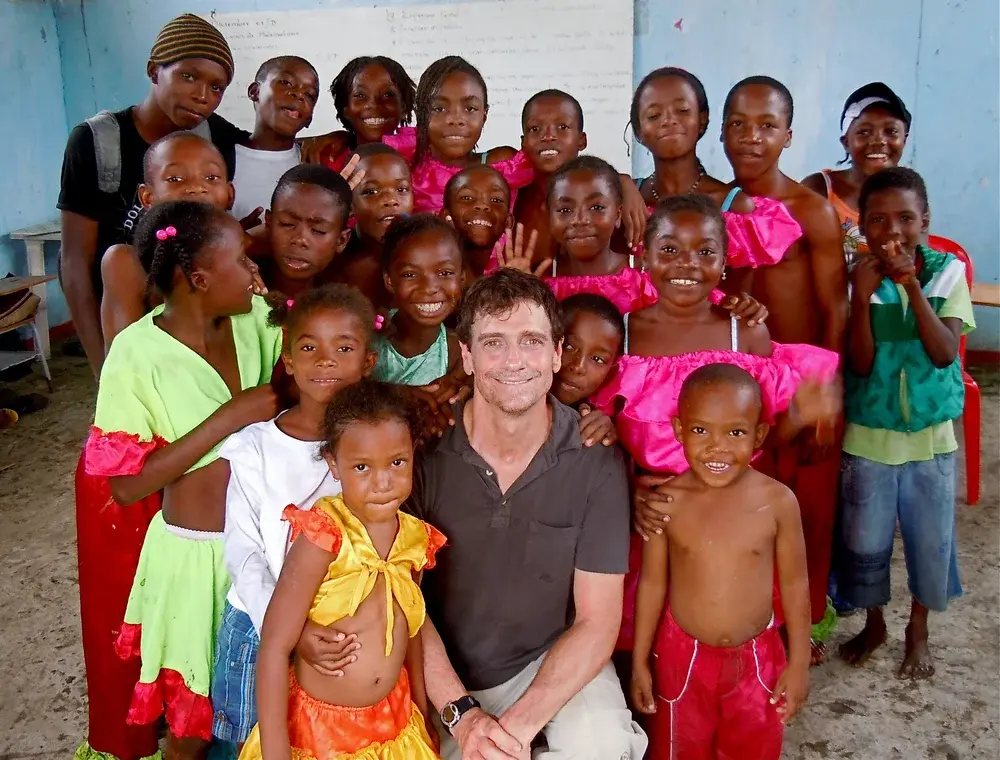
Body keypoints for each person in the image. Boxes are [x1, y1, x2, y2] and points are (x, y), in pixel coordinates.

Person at [408, 269, 646, 760]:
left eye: (532, 341)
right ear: (467, 357)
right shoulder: (421, 450)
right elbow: (401, 599)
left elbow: (598, 620)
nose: (514, 361)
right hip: (442, 672)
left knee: (601, 745)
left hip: (548, 662)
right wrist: (464, 715)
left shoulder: (594, 458)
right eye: (493, 342)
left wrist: (515, 728)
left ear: (557, 353)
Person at [590, 195, 840, 657]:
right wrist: (630, 492)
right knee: (644, 646)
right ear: (642, 254)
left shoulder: (744, 333)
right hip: (651, 522)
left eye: (706, 251)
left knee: (722, 636)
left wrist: (803, 416)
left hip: (728, 522)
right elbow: (596, 433)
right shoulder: (619, 333)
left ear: (726, 262)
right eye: (669, 249)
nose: (687, 264)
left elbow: (763, 439)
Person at [86, 200, 281, 760]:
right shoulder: (136, 353)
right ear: (199, 278)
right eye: (243, 260)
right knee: (192, 727)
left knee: (257, 708)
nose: (254, 271)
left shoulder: (257, 324)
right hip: (194, 561)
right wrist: (229, 416)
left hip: (264, 549)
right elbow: (126, 486)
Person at [211, 284, 379, 751]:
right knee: (248, 742)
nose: (325, 361)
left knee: (319, 741)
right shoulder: (255, 448)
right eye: (309, 348)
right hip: (257, 626)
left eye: (343, 348)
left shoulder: (378, 447)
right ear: (288, 359)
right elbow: (244, 554)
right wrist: (288, 629)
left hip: (338, 631)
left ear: (368, 361)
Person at [241, 379, 444, 760]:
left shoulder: (415, 539)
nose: (382, 482)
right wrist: (275, 753)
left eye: (397, 462)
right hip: (321, 736)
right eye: (362, 467)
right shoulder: (325, 535)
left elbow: (410, 628)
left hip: (393, 725)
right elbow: (274, 645)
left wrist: (421, 708)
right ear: (334, 464)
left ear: (414, 453)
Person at [722, 75, 849, 660]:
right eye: (739, 125)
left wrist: (824, 389)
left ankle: (807, 623)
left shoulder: (811, 210)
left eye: (766, 126)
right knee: (750, 508)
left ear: (788, 135)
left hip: (803, 384)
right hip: (741, 387)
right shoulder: (717, 207)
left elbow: (834, 306)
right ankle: (757, 618)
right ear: (721, 133)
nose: (752, 138)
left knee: (810, 511)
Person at [630, 364, 811, 760]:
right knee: (680, 750)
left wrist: (798, 663)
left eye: (735, 432)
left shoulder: (778, 502)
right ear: (679, 430)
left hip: (759, 661)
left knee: (753, 750)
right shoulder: (667, 502)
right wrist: (641, 661)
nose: (717, 447)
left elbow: (796, 585)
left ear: (758, 435)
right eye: (700, 430)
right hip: (683, 661)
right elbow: (653, 585)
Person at [58, 13, 249, 378]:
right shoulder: (97, 141)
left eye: (217, 87)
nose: (202, 96)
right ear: (153, 71)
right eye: (188, 76)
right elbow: (73, 263)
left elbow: (267, 142)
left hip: (186, 315)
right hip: (122, 317)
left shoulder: (215, 136)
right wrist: (102, 368)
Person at [837, 167, 973, 680]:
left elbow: (943, 352)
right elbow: (862, 364)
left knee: (929, 538)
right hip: (869, 436)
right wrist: (860, 296)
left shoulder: (947, 272)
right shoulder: (859, 278)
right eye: (877, 220)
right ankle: (875, 623)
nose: (892, 230)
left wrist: (912, 287)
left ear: (926, 221)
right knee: (865, 540)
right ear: (861, 227)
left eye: (906, 218)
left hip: (931, 439)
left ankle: (919, 628)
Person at [630, 67, 802, 290]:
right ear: (639, 132)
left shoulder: (734, 207)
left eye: (682, 110)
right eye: (654, 115)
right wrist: (623, 182)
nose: (668, 121)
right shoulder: (627, 199)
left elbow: (739, 302)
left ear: (702, 120)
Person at [100, 132, 238, 350]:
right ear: (147, 197)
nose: (196, 187)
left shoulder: (239, 256)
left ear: (230, 194)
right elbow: (124, 358)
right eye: (175, 179)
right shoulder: (125, 263)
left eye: (211, 178)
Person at [383, 56, 534, 215]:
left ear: (484, 114)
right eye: (439, 109)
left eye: (469, 109)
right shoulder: (403, 168)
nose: (455, 120)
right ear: (421, 114)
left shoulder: (504, 165)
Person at [513, 90, 648, 262]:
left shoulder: (611, 198)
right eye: (535, 129)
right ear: (523, 143)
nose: (548, 136)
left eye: (562, 127)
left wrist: (623, 182)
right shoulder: (514, 197)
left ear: (582, 140)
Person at [802, 82, 912, 271]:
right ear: (846, 142)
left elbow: (918, 260)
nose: (878, 141)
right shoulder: (819, 189)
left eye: (891, 131)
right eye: (864, 132)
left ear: (905, 139)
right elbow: (796, 257)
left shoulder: (910, 196)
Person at [374, 214, 465, 386]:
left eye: (445, 273)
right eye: (410, 275)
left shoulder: (456, 351)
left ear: (461, 278)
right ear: (389, 281)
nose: (430, 288)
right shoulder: (369, 336)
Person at [230, 56, 320, 226]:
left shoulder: (312, 162)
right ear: (254, 92)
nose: (299, 94)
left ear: (310, 118)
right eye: (286, 82)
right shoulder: (220, 158)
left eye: (309, 94)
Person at [257, 164, 353, 297]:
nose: (300, 239)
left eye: (318, 230)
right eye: (287, 224)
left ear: (341, 240)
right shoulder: (238, 288)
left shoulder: (344, 306)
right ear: (269, 223)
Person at [315, 55, 416, 173]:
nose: (374, 104)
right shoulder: (328, 159)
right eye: (360, 95)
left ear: (403, 108)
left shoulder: (423, 156)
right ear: (345, 108)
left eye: (388, 95)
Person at [442, 164, 510, 279]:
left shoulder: (507, 275)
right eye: (467, 198)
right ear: (446, 216)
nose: (482, 205)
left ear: (508, 222)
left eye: (496, 199)